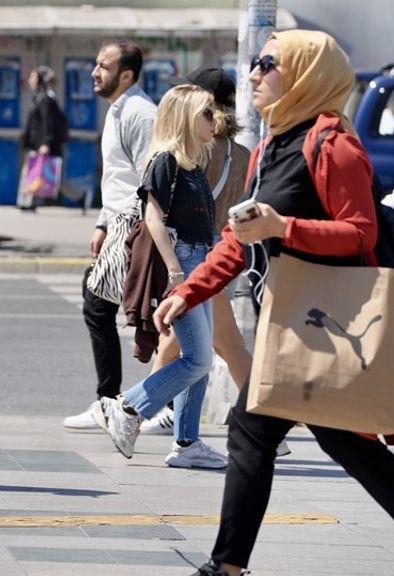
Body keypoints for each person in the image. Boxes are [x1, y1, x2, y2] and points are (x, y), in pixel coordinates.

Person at [153, 31, 394, 575]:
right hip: (299, 324)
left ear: (304, 74)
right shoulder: (275, 145)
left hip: (331, 323)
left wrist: (284, 227)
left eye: (267, 63)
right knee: (340, 447)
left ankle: (225, 567)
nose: (253, 74)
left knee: (259, 433)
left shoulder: (333, 145)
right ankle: (226, 566)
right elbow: (240, 237)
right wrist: (188, 290)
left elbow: (360, 233)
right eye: (255, 63)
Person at [96, 84, 228, 470]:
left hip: (199, 263)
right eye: (206, 113)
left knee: (198, 357)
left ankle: (187, 443)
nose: (214, 121)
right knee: (200, 357)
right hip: (183, 264)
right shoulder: (165, 161)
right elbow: (153, 218)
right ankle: (128, 407)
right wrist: (175, 271)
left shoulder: (193, 163)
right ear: (186, 118)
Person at [141, 68, 256, 440]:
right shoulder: (241, 154)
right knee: (205, 347)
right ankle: (176, 426)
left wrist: (175, 269)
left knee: (202, 350)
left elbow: (159, 212)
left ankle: (137, 409)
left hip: (201, 260)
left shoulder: (195, 153)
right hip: (225, 258)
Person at [63, 41, 157, 430]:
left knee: (98, 304)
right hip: (117, 223)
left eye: (103, 66)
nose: (94, 72)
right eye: (95, 63)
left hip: (133, 225)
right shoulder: (119, 110)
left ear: (127, 75)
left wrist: (130, 232)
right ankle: (112, 400)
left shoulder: (139, 113)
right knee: (99, 304)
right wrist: (102, 222)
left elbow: (148, 178)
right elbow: (117, 175)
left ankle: (111, 401)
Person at [18, 66, 89, 212]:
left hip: (46, 144)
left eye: (33, 77)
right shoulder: (39, 97)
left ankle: (29, 202)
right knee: (35, 172)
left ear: (40, 80)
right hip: (37, 143)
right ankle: (27, 202)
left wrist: (46, 143)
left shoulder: (46, 99)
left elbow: (48, 122)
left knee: (49, 176)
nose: (30, 80)